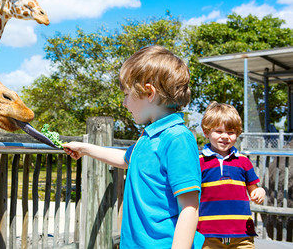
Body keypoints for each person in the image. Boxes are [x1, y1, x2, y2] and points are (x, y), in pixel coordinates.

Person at [63, 45, 204, 248]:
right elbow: (125, 159)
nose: (124, 103)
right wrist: (85, 149)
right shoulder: (147, 137)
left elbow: (189, 207)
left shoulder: (177, 138)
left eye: (127, 95)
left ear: (149, 93)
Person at [198, 102, 266, 249]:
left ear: (238, 133)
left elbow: (253, 188)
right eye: (218, 131)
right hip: (208, 234)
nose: (225, 136)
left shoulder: (243, 161)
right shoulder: (199, 162)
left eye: (230, 132)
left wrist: (259, 192)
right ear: (206, 131)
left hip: (242, 233)